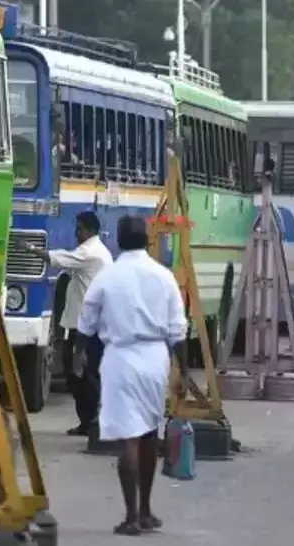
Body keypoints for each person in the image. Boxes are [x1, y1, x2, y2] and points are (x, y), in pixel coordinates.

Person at [75, 215, 187, 535]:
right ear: (149, 241)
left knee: (129, 436)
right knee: (150, 432)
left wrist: (78, 354)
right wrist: (184, 372)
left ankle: (131, 517)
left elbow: (86, 321)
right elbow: (178, 330)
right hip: (155, 358)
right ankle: (148, 510)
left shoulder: (108, 277)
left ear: (119, 242)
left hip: (120, 358)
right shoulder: (164, 277)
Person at [29, 211, 113, 436]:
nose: (76, 233)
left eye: (79, 229)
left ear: (90, 231)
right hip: (86, 325)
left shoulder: (91, 254)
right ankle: (89, 421)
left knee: (84, 374)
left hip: (88, 328)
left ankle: (93, 421)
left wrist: (32, 250)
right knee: (80, 374)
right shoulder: (96, 252)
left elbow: (59, 258)